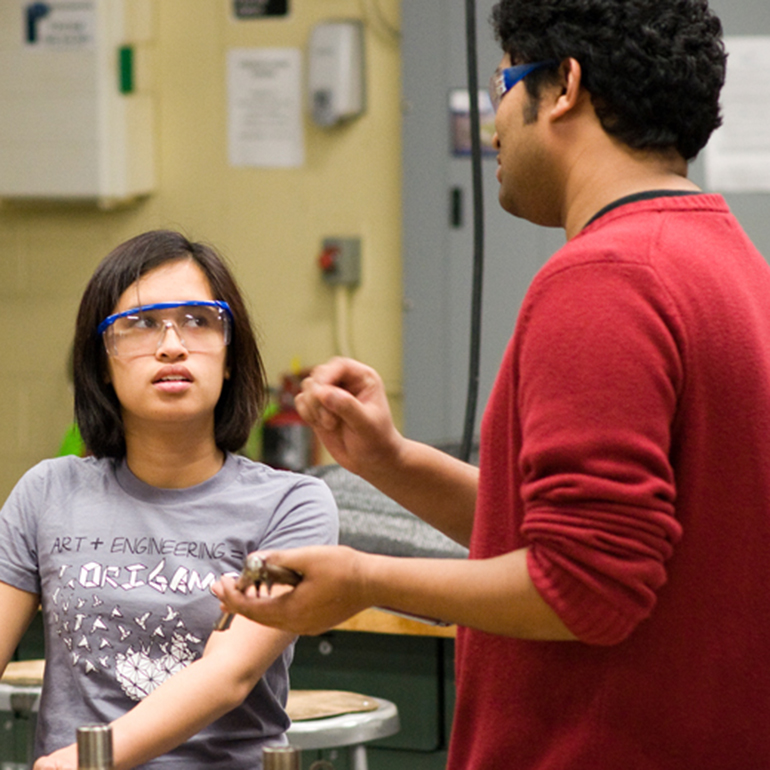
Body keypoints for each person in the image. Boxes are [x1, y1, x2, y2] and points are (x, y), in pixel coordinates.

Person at [213, 0, 770, 768]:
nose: (493, 120)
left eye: (504, 84)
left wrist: (363, 579)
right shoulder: (724, 258)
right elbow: (589, 539)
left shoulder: (606, 279)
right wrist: (392, 462)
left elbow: (586, 584)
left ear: (564, 86)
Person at [0, 230, 338, 769]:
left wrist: (80, 763)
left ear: (230, 358)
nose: (172, 345)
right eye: (140, 324)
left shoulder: (291, 505)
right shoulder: (47, 492)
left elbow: (229, 675)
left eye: (199, 321)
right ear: (102, 364)